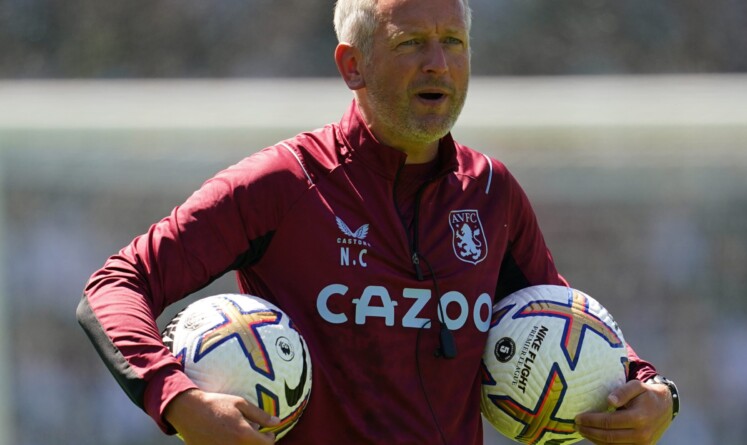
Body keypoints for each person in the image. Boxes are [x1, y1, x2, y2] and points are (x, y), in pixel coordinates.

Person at [77, 0, 678, 444]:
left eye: (453, 42)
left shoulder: (492, 193)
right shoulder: (283, 183)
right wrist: (177, 398)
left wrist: (651, 387)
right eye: (411, 43)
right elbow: (115, 285)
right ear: (353, 65)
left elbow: (562, 315)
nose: (438, 63)